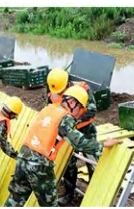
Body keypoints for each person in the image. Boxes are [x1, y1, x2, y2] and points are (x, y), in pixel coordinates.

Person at [4, 86, 121, 207]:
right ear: (72, 103)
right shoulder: (65, 117)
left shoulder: (49, 108)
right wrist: (102, 146)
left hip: (23, 158)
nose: (79, 113)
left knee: (16, 199)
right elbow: (79, 142)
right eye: (80, 108)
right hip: (39, 165)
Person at [44, 68, 98, 204]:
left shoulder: (83, 89)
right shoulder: (53, 89)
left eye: (62, 91)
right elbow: (50, 109)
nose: (60, 94)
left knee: (93, 163)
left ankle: (96, 195)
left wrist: (71, 119)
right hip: (66, 134)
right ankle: (69, 193)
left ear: (68, 84)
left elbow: (91, 110)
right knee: (68, 164)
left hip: (85, 130)